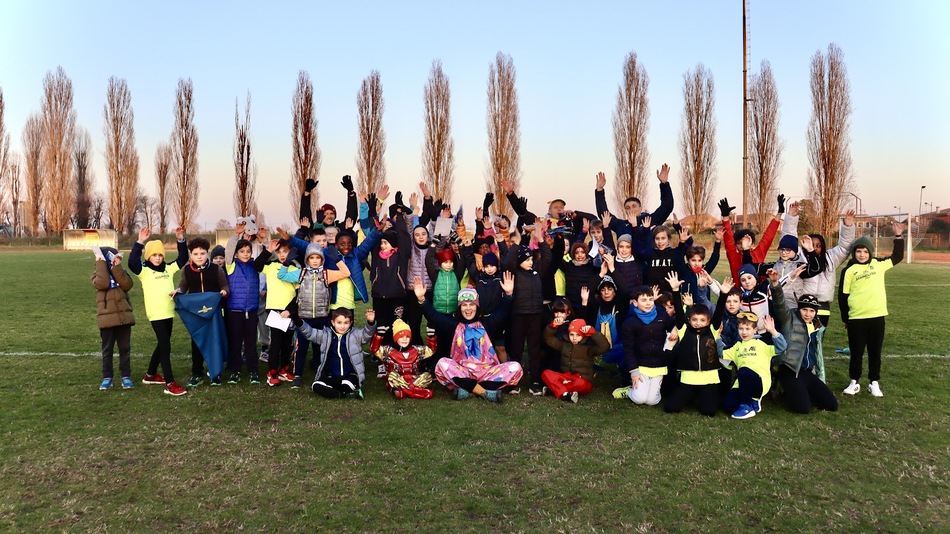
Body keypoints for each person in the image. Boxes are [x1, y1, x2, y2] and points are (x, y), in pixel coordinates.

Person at [417, 276, 522, 403]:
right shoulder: (453, 326)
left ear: (477, 306)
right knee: (442, 364)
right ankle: (485, 392)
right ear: (460, 307)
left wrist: (508, 294)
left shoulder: (487, 324)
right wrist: (422, 299)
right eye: (464, 305)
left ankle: (468, 390)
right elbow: (434, 317)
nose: (468, 308)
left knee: (516, 367)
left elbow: (502, 313)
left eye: (472, 304)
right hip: (463, 372)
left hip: (487, 373)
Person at [839, 223, 905, 397]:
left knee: (875, 352)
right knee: (856, 353)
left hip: (877, 317)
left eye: (865, 252)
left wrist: (898, 236)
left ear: (870, 252)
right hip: (856, 319)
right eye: (859, 251)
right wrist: (846, 319)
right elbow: (843, 296)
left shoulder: (878, 264)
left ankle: (874, 382)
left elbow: (897, 256)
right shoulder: (849, 270)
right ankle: (854, 382)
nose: (862, 255)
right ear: (854, 253)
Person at [279, 243, 350, 388]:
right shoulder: (301, 273)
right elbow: (282, 275)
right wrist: (287, 262)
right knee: (301, 347)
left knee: (321, 347)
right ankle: (298, 375)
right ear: (307, 259)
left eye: (318, 257)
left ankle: (321, 372)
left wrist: (337, 260)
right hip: (304, 318)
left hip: (322, 317)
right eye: (312, 258)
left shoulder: (326, 273)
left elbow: (345, 273)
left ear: (322, 259)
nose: (315, 261)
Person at [128, 226, 188, 396]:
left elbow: (183, 258)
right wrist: (140, 242)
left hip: (169, 311)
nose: (157, 258)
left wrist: (180, 240)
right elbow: (132, 263)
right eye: (154, 255)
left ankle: (150, 374)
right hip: (156, 314)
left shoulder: (168, 269)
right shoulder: (144, 271)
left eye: (160, 255)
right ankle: (170, 383)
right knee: (165, 346)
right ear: (148, 256)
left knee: (163, 343)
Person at [661, 272, 731, 414]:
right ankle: (691, 395)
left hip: (709, 379)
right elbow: (679, 311)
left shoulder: (713, 330)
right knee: (670, 408)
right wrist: (675, 290)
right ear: (689, 320)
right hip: (689, 379)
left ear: (708, 321)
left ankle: (703, 397)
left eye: (702, 320)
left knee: (709, 411)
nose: (698, 323)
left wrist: (724, 295)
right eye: (694, 320)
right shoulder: (684, 330)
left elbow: (718, 312)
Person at [771, 279, 838, 414]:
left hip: (807, 372)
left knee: (831, 404)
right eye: (804, 309)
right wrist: (775, 285)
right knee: (802, 408)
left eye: (812, 311)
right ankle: (785, 389)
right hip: (790, 370)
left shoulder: (817, 326)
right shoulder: (789, 318)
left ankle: (802, 391)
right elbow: (780, 303)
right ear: (799, 309)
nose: (808, 314)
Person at [504, 223, 552, 396]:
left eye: (531, 259)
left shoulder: (536, 271)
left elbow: (547, 258)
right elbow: (508, 261)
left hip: (535, 316)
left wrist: (540, 240)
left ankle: (535, 381)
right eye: (527, 260)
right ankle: (514, 381)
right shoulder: (514, 272)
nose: (531, 262)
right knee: (516, 350)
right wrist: (516, 243)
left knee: (534, 350)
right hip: (518, 316)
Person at [176, 237, 229, 387]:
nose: (199, 257)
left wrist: (224, 292)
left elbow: (224, 285)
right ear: (191, 255)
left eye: (202, 253)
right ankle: (197, 373)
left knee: (214, 341)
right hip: (196, 314)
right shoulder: (187, 270)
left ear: (207, 253)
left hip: (213, 313)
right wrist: (177, 291)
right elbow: (183, 287)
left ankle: (216, 373)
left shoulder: (216, 269)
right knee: (196, 343)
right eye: (195, 254)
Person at [720, 305, 788, 420]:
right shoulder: (737, 346)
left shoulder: (763, 343)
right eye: (741, 329)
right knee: (727, 405)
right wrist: (717, 337)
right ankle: (750, 402)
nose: (744, 332)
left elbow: (782, 347)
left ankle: (748, 406)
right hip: (741, 383)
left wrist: (772, 331)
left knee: (744, 371)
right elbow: (721, 353)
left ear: (755, 329)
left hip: (759, 383)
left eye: (748, 329)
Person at [294, 308, 376, 399]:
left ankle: (340, 391)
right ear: (333, 323)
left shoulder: (355, 334)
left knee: (347, 385)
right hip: (331, 376)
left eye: (346, 323)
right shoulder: (325, 335)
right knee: (316, 386)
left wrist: (370, 322)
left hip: (350, 376)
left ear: (351, 323)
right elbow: (311, 333)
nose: (342, 326)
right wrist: (299, 322)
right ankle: (344, 395)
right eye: (339, 323)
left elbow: (366, 335)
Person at [616, 283, 676, 405]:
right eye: (643, 300)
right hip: (641, 365)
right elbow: (628, 349)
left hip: (659, 365)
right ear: (635, 303)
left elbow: (677, 323)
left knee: (652, 401)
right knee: (640, 399)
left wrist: (675, 328)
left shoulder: (662, 316)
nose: (648, 303)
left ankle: (649, 388)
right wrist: (634, 372)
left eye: (650, 299)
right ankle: (629, 391)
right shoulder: (630, 323)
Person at [254, 239, 299, 387]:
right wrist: (268, 251)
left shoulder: (294, 269)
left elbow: (298, 293)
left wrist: (290, 310)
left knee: (287, 342)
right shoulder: (270, 266)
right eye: (279, 252)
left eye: (285, 252)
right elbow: (256, 265)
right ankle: (272, 372)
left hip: (289, 311)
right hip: (275, 310)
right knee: (276, 343)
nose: (282, 255)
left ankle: (284, 369)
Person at [92, 247, 136, 391]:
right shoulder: (97, 274)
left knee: (125, 348)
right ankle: (107, 377)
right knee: (107, 349)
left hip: (123, 317)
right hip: (107, 319)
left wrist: (116, 267)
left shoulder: (121, 272)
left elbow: (127, 284)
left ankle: (126, 376)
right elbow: (103, 283)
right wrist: (101, 264)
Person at [223, 236, 263, 385]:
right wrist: (236, 235)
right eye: (242, 251)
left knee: (251, 343)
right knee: (236, 342)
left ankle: (253, 370)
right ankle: (235, 371)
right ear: (236, 253)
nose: (245, 254)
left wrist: (263, 242)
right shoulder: (231, 266)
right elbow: (228, 251)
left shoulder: (255, 266)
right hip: (235, 311)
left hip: (251, 311)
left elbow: (265, 256)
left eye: (248, 251)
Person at [541, 318, 610, 403]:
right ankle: (565, 393)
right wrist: (553, 326)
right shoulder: (564, 344)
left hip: (581, 379)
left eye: (578, 335)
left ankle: (555, 390)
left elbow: (605, 346)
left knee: (582, 384)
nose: (574, 338)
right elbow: (548, 339)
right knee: (546, 373)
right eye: (572, 335)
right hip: (565, 377)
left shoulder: (588, 348)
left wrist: (593, 333)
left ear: (583, 335)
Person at [718, 195, 785, 282]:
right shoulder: (733, 256)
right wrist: (725, 218)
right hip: (739, 290)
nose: (742, 245)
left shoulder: (758, 253)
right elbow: (728, 240)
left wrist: (779, 213)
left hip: (760, 289)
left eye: (745, 242)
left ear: (752, 243)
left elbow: (769, 236)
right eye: (739, 243)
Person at [371, 319, 436, 399]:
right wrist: (378, 336)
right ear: (395, 338)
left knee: (427, 376)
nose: (404, 339)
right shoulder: (388, 351)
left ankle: (404, 391)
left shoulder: (417, 350)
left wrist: (431, 336)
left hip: (414, 379)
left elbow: (431, 350)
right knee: (392, 376)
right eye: (401, 337)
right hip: (398, 379)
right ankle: (415, 390)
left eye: (407, 337)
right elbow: (374, 350)